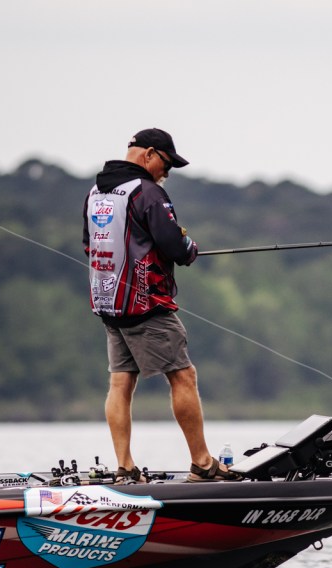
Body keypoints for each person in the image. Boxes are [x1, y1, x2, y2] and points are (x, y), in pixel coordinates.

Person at [82, 128, 241, 483]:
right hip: (146, 306)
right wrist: (189, 249)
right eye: (166, 164)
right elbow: (174, 244)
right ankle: (203, 464)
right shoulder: (148, 192)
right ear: (149, 154)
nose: (166, 173)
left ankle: (125, 468)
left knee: (120, 382)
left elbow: (88, 244)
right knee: (183, 376)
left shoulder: (95, 193)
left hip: (109, 304)